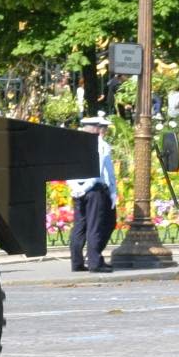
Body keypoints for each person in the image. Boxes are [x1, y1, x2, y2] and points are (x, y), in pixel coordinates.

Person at [68, 114, 117, 273]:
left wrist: (76, 187)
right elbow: (100, 169)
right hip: (94, 190)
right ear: (97, 129)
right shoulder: (100, 145)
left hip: (77, 190)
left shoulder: (73, 144)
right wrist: (111, 191)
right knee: (95, 227)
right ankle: (95, 263)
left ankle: (77, 262)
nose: (105, 131)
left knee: (79, 227)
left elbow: (67, 168)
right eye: (103, 128)